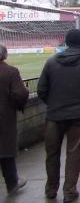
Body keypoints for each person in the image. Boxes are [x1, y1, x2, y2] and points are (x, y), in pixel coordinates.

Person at [37, 29, 80, 202]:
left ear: (66, 42)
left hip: (54, 115)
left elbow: (41, 90)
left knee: (52, 153)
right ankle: (69, 191)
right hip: (79, 115)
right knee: (74, 153)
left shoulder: (51, 62)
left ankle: (51, 189)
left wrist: (53, 104)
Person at [0, 44, 29, 195]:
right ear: (4, 55)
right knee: (5, 150)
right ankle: (12, 183)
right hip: (4, 117)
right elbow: (21, 94)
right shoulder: (10, 72)